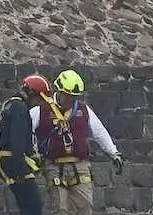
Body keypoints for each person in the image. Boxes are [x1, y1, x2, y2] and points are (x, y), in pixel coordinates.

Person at [31, 69, 124, 215]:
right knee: (60, 208)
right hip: (54, 166)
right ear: (59, 92)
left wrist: (113, 153)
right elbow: (25, 131)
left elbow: (99, 132)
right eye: (68, 96)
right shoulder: (40, 111)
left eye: (73, 97)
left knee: (85, 207)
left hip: (80, 165)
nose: (70, 100)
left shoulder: (83, 110)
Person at [0, 74, 51, 215]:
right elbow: (17, 140)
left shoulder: (10, 104)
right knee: (34, 205)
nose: (39, 104)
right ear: (31, 94)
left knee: (26, 205)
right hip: (14, 163)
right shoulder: (20, 108)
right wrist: (21, 168)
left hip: (6, 160)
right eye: (39, 99)